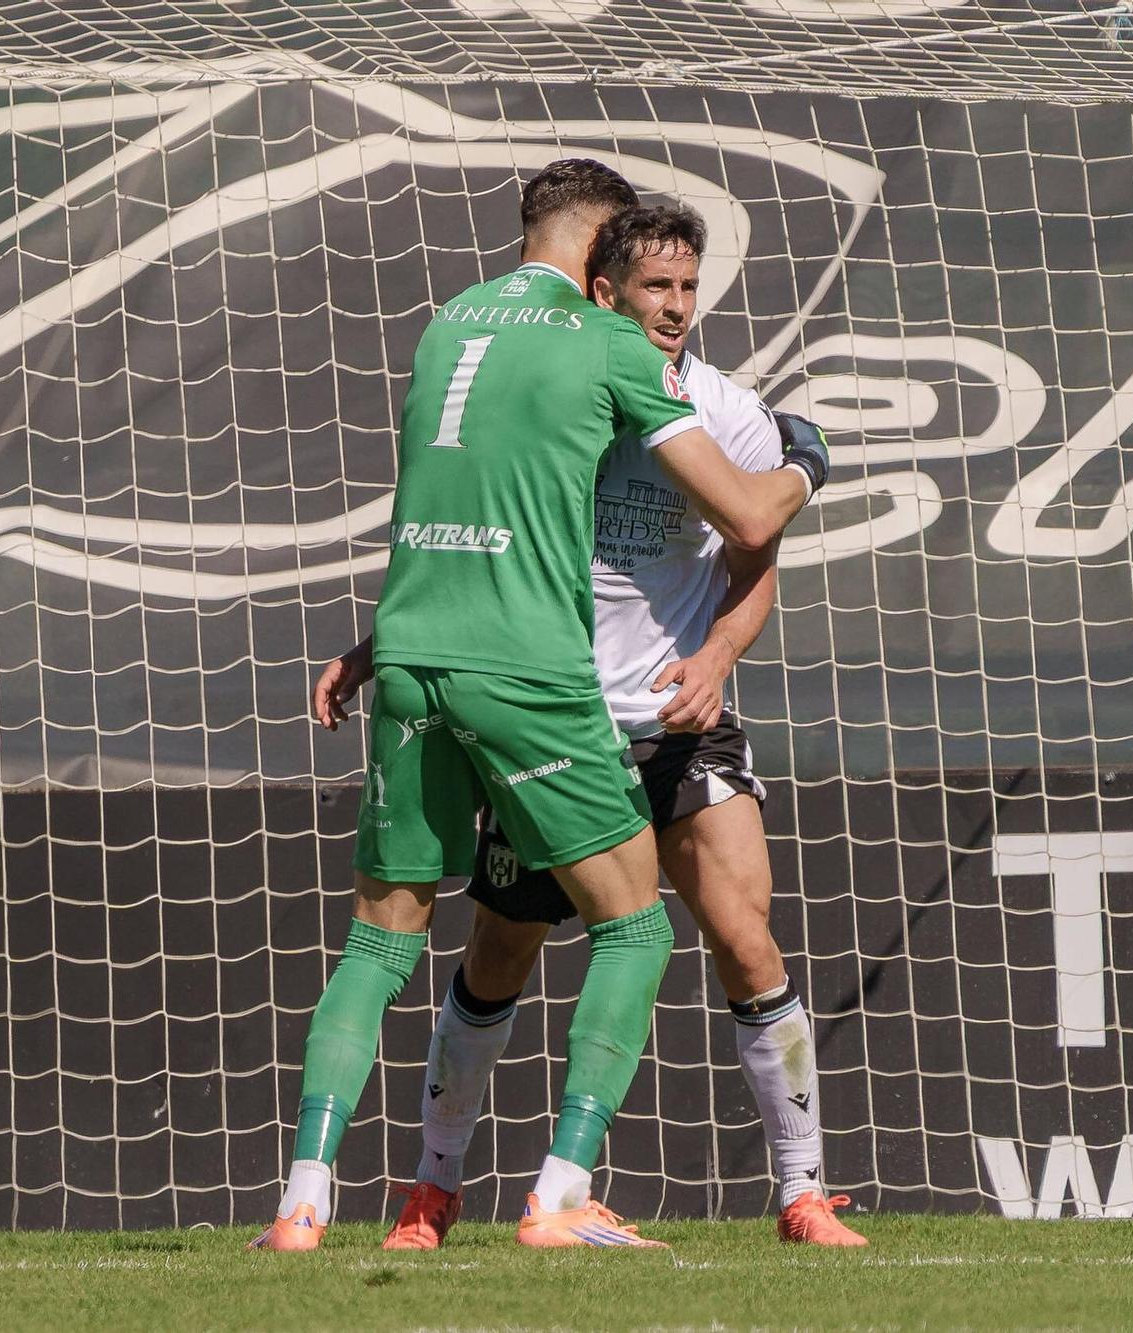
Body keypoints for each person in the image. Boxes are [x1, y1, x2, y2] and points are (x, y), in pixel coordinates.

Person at [253, 161, 827, 1252]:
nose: (665, 300)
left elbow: (737, 548)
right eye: (644, 273)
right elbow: (753, 507)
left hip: (539, 681)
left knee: (393, 939)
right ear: (603, 264)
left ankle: (303, 1203)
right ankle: (517, 1195)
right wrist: (811, 457)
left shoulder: (459, 326)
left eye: (683, 284)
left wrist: (710, 654)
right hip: (545, 691)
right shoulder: (596, 350)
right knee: (580, 938)